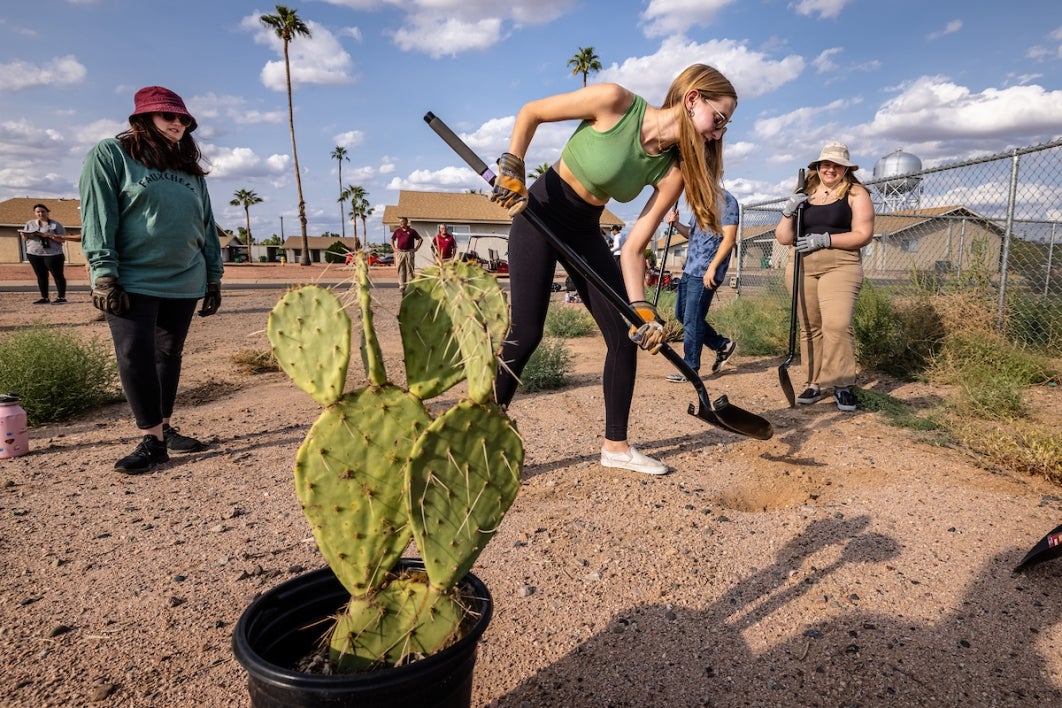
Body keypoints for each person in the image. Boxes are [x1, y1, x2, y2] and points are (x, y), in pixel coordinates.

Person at [489, 63, 737, 475]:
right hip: (541, 212)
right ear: (693, 99)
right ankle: (483, 433)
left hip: (586, 231)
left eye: (725, 126)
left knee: (625, 336)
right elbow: (531, 111)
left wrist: (640, 307)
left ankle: (616, 448)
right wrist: (513, 165)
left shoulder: (672, 172)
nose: (719, 132)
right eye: (720, 119)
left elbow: (634, 247)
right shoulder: (616, 102)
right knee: (526, 333)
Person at [79, 85, 224, 473]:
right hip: (132, 277)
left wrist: (213, 276)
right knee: (134, 354)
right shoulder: (111, 155)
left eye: (183, 119)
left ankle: (163, 425)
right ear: (143, 119)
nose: (177, 124)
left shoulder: (189, 170)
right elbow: (98, 216)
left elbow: (206, 225)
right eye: (168, 116)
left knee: (167, 354)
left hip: (184, 278)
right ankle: (152, 440)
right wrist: (104, 274)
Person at [775, 141, 874, 412]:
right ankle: (814, 382)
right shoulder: (804, 193)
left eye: (837, 165)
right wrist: (788, 210)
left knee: (838, 324)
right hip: (801, 265)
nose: (831, 169)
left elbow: (863, 234)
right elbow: (784, 237)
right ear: (817, 167)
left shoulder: (856, 193)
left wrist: (826, 239)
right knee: (810, 326)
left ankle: (841, 384)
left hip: (840, 263)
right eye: (826, 164)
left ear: (845, 168)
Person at [664, 189, 739, 382]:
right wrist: (676, 224)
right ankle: (722, 345)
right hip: (690, 269)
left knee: (692, 319)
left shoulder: (726, 200)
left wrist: (712, 268)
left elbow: (729, 238)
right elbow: (693, 235)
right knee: (682, 315)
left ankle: (690, 367)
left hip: (706, 271)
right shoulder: (699, 200)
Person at [19, 204, 71, 304]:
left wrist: (48, 235)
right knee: (41, 275)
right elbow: (26, 239)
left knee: (57, 275)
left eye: (42, 211)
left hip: (53, 254)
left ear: (47, 212)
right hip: (34, 254)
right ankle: (44, 297)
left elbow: (62, 240)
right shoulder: (30, 224)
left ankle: (61, 297)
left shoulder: (55, 224)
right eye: (38, 212)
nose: (40, 213)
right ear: (35, 213)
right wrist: (23, 235)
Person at [390, 217, 422, 293]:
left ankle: (410, 285)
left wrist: (416, 248)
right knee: (401, 269)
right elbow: (392, 239)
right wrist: (394, 248)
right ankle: (402, 285)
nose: (400, 223)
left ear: (406, 222)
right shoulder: (397, 231)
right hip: (400, 252)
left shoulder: (412, 231)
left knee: (409, 269)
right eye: (400, 222)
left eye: (402, 221)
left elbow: (420, 239)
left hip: (409, 252)